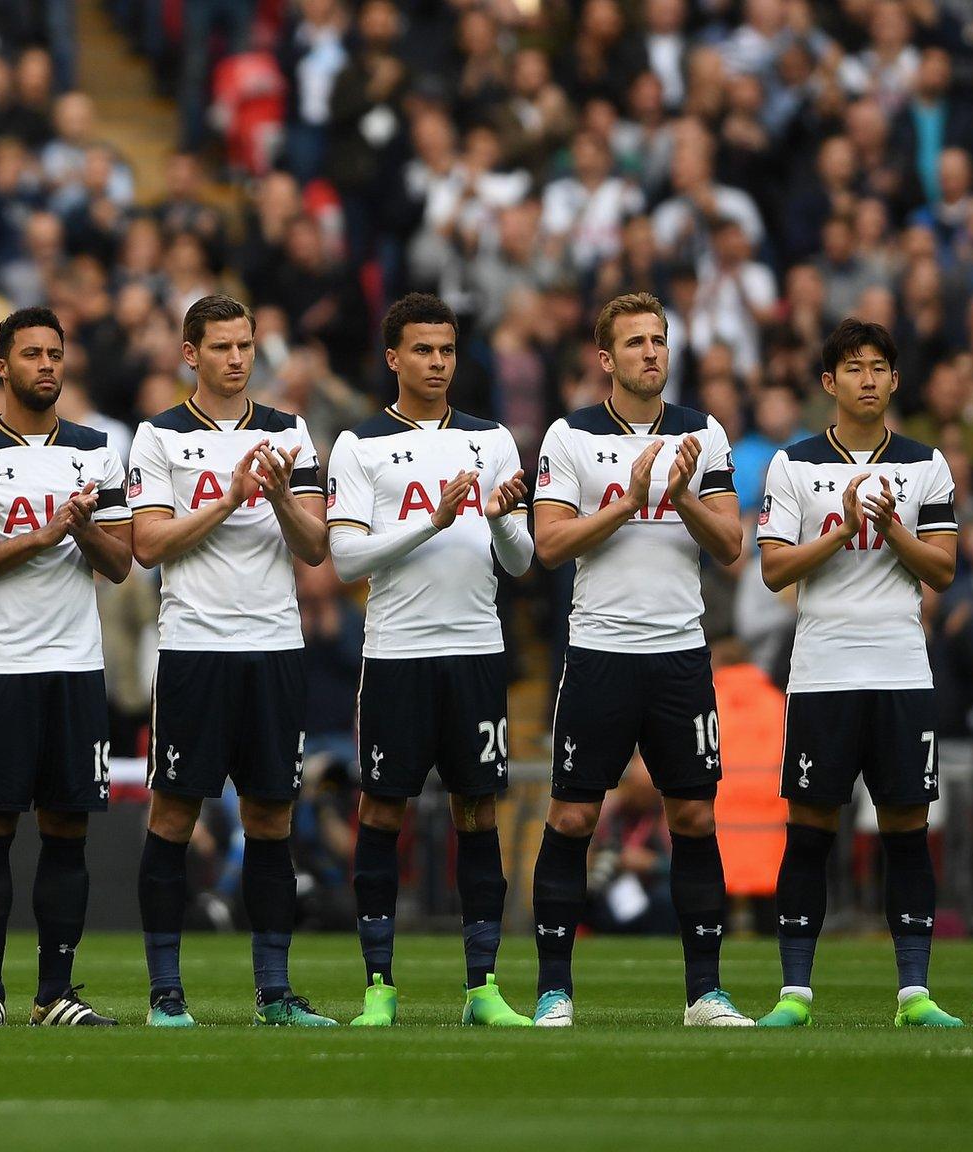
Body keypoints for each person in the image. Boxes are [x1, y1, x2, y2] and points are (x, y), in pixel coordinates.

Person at [526, 292, 752, 1027]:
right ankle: (555, 990)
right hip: (599, 651)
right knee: (571, 815)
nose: (651, 352)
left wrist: (680, 496)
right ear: (606, 359)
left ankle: (705, 994)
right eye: (635, 343)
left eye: (659, 339)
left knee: (692, 814)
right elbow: (548, 546)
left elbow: (730, 548)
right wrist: (629, 500)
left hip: (680, 653)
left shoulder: (703, 433)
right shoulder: (570, 436)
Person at [323, 293, 533, 1028]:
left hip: (475, 653)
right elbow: (346, 555)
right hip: (398, 656)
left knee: (477, 811)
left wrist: (503, 518)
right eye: (422, 350)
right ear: (393, 358)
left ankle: (482, 987)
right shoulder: (360, 446)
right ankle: (380, 985)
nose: (437, 363)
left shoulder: (493, 439)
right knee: (383, 808)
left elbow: (521, 559)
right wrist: (431, 522)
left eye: (445, 351)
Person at [753, 318, 967, 1028]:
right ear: (828, 383)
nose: (867, 379)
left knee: (907, 826)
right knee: (809, 828)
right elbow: (774, 566)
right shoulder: (794, 465)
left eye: (879, 367)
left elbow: (943, 568)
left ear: (895, 380)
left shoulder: (925, 464)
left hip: (903, 670)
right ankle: (794, 993)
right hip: (823, 671)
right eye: (853, 368)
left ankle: (914, 993)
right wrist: (842, 527)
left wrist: (892, 524)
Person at [127, 293, 333, 1028]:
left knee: (271, 818)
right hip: (195, 649)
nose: (237, 358)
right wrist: (229, 499)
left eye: (245, 344)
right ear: (191, 354)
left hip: (274, 647)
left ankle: (275, 994)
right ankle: (166, 994)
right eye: (221, 346)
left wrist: (276, 498)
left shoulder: (289, 431)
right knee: (175, 814)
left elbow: (315, 549)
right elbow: (146, 545)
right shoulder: (159, 437)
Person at [0, 306, 132, 1027]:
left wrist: (81, 529)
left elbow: (120, 563)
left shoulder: (96, 450)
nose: (46, 366)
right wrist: (45, 532)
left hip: (76, 665)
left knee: (68, 830)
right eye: (32, 355)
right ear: (2, 366)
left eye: (55, 354)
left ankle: (56, 993)